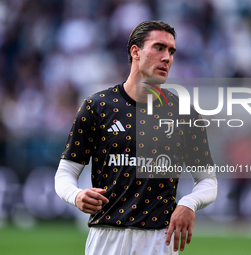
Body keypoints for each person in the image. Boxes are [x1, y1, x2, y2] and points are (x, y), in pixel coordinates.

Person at [55, 20, 217, 255]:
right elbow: (65, 173)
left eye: (171, 51)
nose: (167, 57)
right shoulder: (96, 107)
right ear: (135, 52)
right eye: (159, 48)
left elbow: (208, 181)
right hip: (105, 240)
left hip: (159, 241)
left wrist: (188, 203)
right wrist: (76, 195)